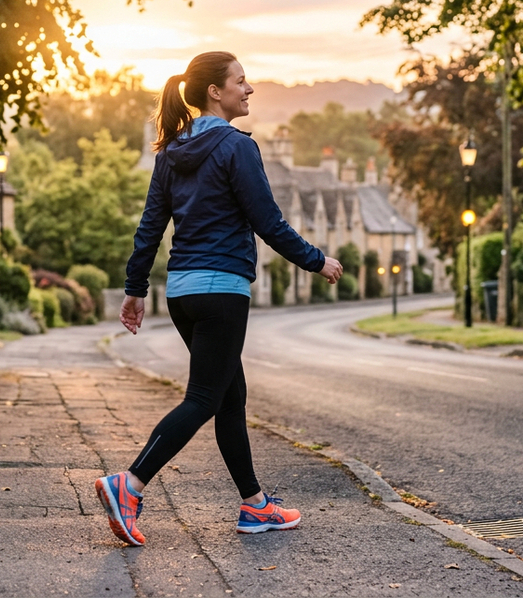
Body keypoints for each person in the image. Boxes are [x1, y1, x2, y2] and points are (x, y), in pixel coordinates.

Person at [94, 51, 344, 546]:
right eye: (241, 81)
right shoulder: (236, 148)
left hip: (184, 291)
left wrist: (135, 290)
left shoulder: (170, 152)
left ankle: (255, 507)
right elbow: (267, 222)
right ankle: (131, 483)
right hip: (222, 288)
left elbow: (150, 228)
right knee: (205, 397)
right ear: (216, 91)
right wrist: (317, 260)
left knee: (230, 396)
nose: (249, 90)